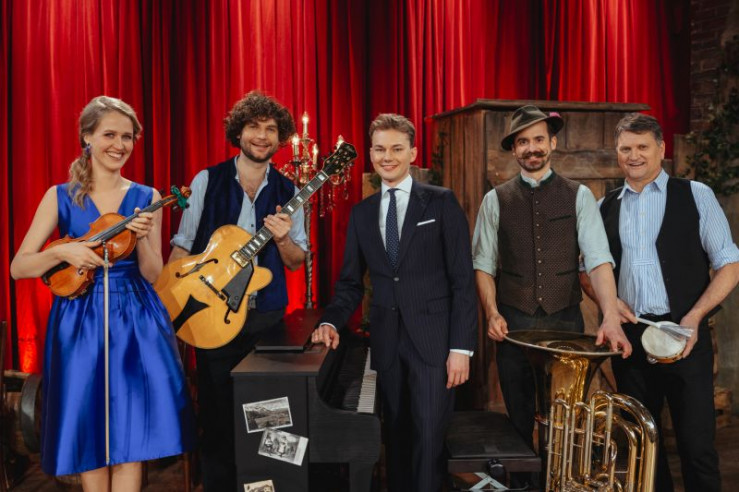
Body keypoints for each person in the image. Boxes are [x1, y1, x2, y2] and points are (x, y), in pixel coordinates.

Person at [10, 96, 195, 492]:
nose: (119, 145)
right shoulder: (59, 195)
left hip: (135, 316)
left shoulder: (147, 196)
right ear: (87, 137)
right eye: (109, 134)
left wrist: (141, 238)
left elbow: (153, 273)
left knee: (131, 436)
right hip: (78, 317)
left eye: (127, 137)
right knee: (87, 430)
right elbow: (19, 266)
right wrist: (63, 252)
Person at [312, 113, 477, 492]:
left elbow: (463, 281)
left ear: (412, 153)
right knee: (397, 442)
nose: (388, 157)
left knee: (429, 441)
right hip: (386, 344)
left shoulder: (441, 202)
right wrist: (330, 322)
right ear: (371, 153)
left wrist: (461, 348)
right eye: (380, 149)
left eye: (397, 149)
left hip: (435, 345)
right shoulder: (362, 214)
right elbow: (350, 284)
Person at [471, 105, 631, 483]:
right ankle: (523, 485)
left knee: (566, 421)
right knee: (519, 416)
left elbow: (598, 260)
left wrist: (610, 315)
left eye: (539, 139)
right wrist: (492, 312)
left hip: (565, 323)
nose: (532, 148)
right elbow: (483, 264)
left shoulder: (579, 196)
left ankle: (560, 485)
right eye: (523, 142)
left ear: (552, 143)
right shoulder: (495, 199)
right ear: (514, 149)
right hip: (514, 324)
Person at [589, 113, 739, 491]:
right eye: (626, 148)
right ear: (617, 152)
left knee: (697, 446)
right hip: (631, 340)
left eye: (642, 147)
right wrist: (610, 303)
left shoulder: (696, 194)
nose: (634, 156)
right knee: (643, 449)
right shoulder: (604, 206)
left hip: (685, 334)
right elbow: (585, 271)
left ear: (661, 148)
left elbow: (730, 265)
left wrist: (694, 317)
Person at [168, 90, 307, 491]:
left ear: (281, 138)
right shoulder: (207, 180)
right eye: (254, 127)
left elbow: (296, 260)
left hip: (266, 318)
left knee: (270, 414)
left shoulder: (290, 191)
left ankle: (267, 485)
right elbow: (182, 247)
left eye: (271, 129)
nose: (262, 136)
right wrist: (170, 305)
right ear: (238, 132)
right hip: (210, 317)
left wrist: (282, 239)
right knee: (216, 411)